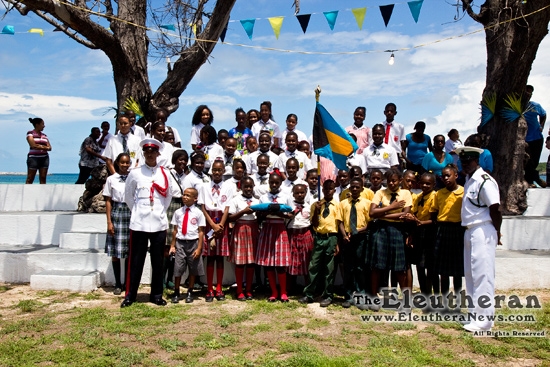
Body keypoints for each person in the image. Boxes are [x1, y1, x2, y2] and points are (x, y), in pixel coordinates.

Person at [121, 138, 175, 308]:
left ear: (158, 153)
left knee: (158, 261)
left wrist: (158, 212)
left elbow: (168, 197)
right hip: (139, 223)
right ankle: (131, 295)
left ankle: (156, 294)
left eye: (153, 152)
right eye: (147, 152)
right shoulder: (135, 173)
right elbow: (129, 197)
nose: (150, 154)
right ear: (143, 153)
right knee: (136, 260)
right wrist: (138, 211)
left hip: (158, 222)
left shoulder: (165, 173)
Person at [458, 146, 501, 333]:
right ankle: (474, 314)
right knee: (472, 274)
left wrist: (497, 231)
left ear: (477, 161)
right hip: (470, 230)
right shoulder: (469, 180)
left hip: (483, 229)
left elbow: (495, 208)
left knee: (483, 275)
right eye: (463, 161)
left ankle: (484, 321)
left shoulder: (484, 181)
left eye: (468, 160)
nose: (465, 164)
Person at [369, 169, 413, 310]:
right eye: (389, 181)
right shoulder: (380, 193)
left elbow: (405, 214)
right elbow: (371, 212)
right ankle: (374, 298)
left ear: (400, 180)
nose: (391, 183)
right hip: (381, 230)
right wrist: (392, 207)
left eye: (394, 180)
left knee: (399, 268)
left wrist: (382, 214)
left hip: (397, 230)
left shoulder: (405, 193)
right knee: (377, 265)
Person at [299, 179, 339, 307]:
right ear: (322, 190)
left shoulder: (338, 205)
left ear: (334, 190)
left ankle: (328, 295)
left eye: (331, 189)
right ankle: (309, 293)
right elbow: (314, 224)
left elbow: (339, 224)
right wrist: (316, 210)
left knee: (329, 268)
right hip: (318, 237)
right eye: (326, 189)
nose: (328, 191)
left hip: (331, 237)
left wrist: (337, 242)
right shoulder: (316, 205)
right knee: (313, 266)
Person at [256, 172, 292, 302]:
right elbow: (259, 217)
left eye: (277, 182)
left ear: (281, 183)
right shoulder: (263, 197)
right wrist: (266, 213)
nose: (274, 185)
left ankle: (283, 292)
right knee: (269, 263)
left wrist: (278, 212)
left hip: (280, 228)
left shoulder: (285, 196)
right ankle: (273, 292)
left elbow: (289, 215)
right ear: (269, 183)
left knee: (280, 263)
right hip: (267, 228)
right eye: (272, 182)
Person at [430, 164, 464, 299]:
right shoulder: (439, 193)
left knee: (457, 271)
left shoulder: (463, 192)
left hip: (457, 230)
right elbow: (434, 213)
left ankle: (457, 301)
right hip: (442, 230)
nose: (445, 178)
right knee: (443, 271)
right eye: (443, 176)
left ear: (456, 176)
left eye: (448, 175)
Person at [338, 177, 372, 308]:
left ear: (362, 189)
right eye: (353, 187)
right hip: (347, 238)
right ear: (349, 188)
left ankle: (360, 294)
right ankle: (348, 296)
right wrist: (344, 235)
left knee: (360, 267)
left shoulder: (367, 203)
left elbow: (370, 223)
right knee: (348, 268)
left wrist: (359, 230)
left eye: (358, 187)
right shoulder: (343, 203)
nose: (355, 189)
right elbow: (339, 221)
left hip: (361, 238)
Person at [199, 160, 230, 302]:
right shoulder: (204, 187)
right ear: (211, 171)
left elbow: (227, 208)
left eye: (220, 170)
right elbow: (203, 208)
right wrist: (212, 225)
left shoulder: (228, 187)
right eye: (214, 170)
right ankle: (209, 288)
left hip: (221, 222)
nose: (217, 172)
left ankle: (219, 288)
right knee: (210, 256)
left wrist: (220, 225)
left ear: (223, 171)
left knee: (220, 257)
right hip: (209, 222)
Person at [169, 188, 206, 304]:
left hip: (193, 243)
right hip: (180, 242)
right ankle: (176, 291)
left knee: (193, 268)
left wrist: (199, 248)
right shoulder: (178, 212)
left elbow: (201, 232)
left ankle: (190, 291)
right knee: (178, 268)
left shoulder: (198, 213)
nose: (185, 197)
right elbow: (175, 230)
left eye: (188, 195)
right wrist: (172, 245)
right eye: (184, 195)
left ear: (195, 199)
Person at [103, 153, 131, 295]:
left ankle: (127, 282)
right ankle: (118, 283)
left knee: (128, 250)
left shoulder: (133, 178)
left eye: (127, 163)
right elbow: (108, 201)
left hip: (131, 212)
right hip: (117, 212)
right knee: (116, 251)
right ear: (117, 163)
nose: (125, 165)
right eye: (122, 162)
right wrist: (109, 221)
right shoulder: (111, 179)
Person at [228, 177, 259, 301]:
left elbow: (259, 216)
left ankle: (249, 289)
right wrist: (243, 212)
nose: (248, 189)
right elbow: (230, 218)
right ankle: (239, 290)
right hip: (240, 229)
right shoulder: (236, 200)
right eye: (245, 186)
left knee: (251, 261)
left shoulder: (257, 200)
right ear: (241, 188)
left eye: (250, 186)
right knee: (240, 261)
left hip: (253, 229)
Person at [287, 184, 314, 289]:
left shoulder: (309, 206)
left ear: (305, 193)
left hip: (305, 234)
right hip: (292, 235)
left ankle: (308, 288)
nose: (299, 195)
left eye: (302, 192)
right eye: (297, 193)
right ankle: (289, 288)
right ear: (293, 194)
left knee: (306, 261)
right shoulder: (289, 207)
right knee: (291, 261)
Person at [523, 85, 547, 188]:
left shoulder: (535, 105)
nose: (529, 95)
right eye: (527, 92)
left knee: (535, 161)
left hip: (537, 138)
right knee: (528, 161)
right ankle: (534, 179)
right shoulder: (518, 106)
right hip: (524, 139)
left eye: (530, 93)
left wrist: (541, 126)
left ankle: (531, 180)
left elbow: (543, 114)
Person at [26, 117, 52, 184]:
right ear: (37, 125)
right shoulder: (30, 133)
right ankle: (26, 192)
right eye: (42, 124)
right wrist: (45, 147)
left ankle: (42, 193)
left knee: (43, 178)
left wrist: (40, 147)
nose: (44, 126)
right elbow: (33, 145)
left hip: (44, 158)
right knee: (30, 178)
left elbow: (50, 148)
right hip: (33, 158)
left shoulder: (44, 136)